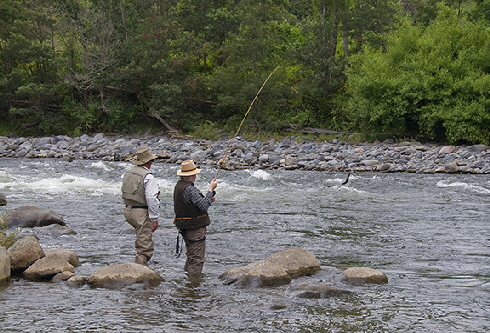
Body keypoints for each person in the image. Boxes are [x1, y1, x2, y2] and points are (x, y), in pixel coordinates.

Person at [173, 160, 218, 276]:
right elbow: (203, 207)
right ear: (193, 175)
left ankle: (187, 284)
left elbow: (194, 203)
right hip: (194, 228)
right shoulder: (190, 189)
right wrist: (210, 189)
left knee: (191, 257)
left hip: (184, 227)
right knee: (197, 259)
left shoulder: (179, 186)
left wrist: (209, 198)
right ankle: (193, 286)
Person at [121, 145, 160, 265]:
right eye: (152, 160)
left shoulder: (128, 172)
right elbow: (151, 198)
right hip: (141, 212)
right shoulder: (148, 176)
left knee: (141, 239)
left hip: (128, 210)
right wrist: (154, 218)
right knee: (144, 247)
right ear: (149, 162)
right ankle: (141, 273)